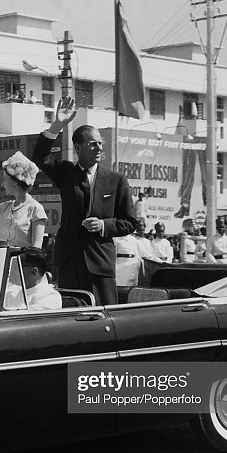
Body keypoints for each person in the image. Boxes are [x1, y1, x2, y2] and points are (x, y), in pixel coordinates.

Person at [32, 96, 136, 305]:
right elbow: (40, 155)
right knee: (71, 315)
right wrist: (58, 124)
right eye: (92, 144)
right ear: (78, 148)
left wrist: (103, 225)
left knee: (103, 315)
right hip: (69, 260)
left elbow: (130, 222)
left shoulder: (115, 180)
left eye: (100, 144)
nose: (98, 148)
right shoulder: (66, 173)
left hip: (99, 262)